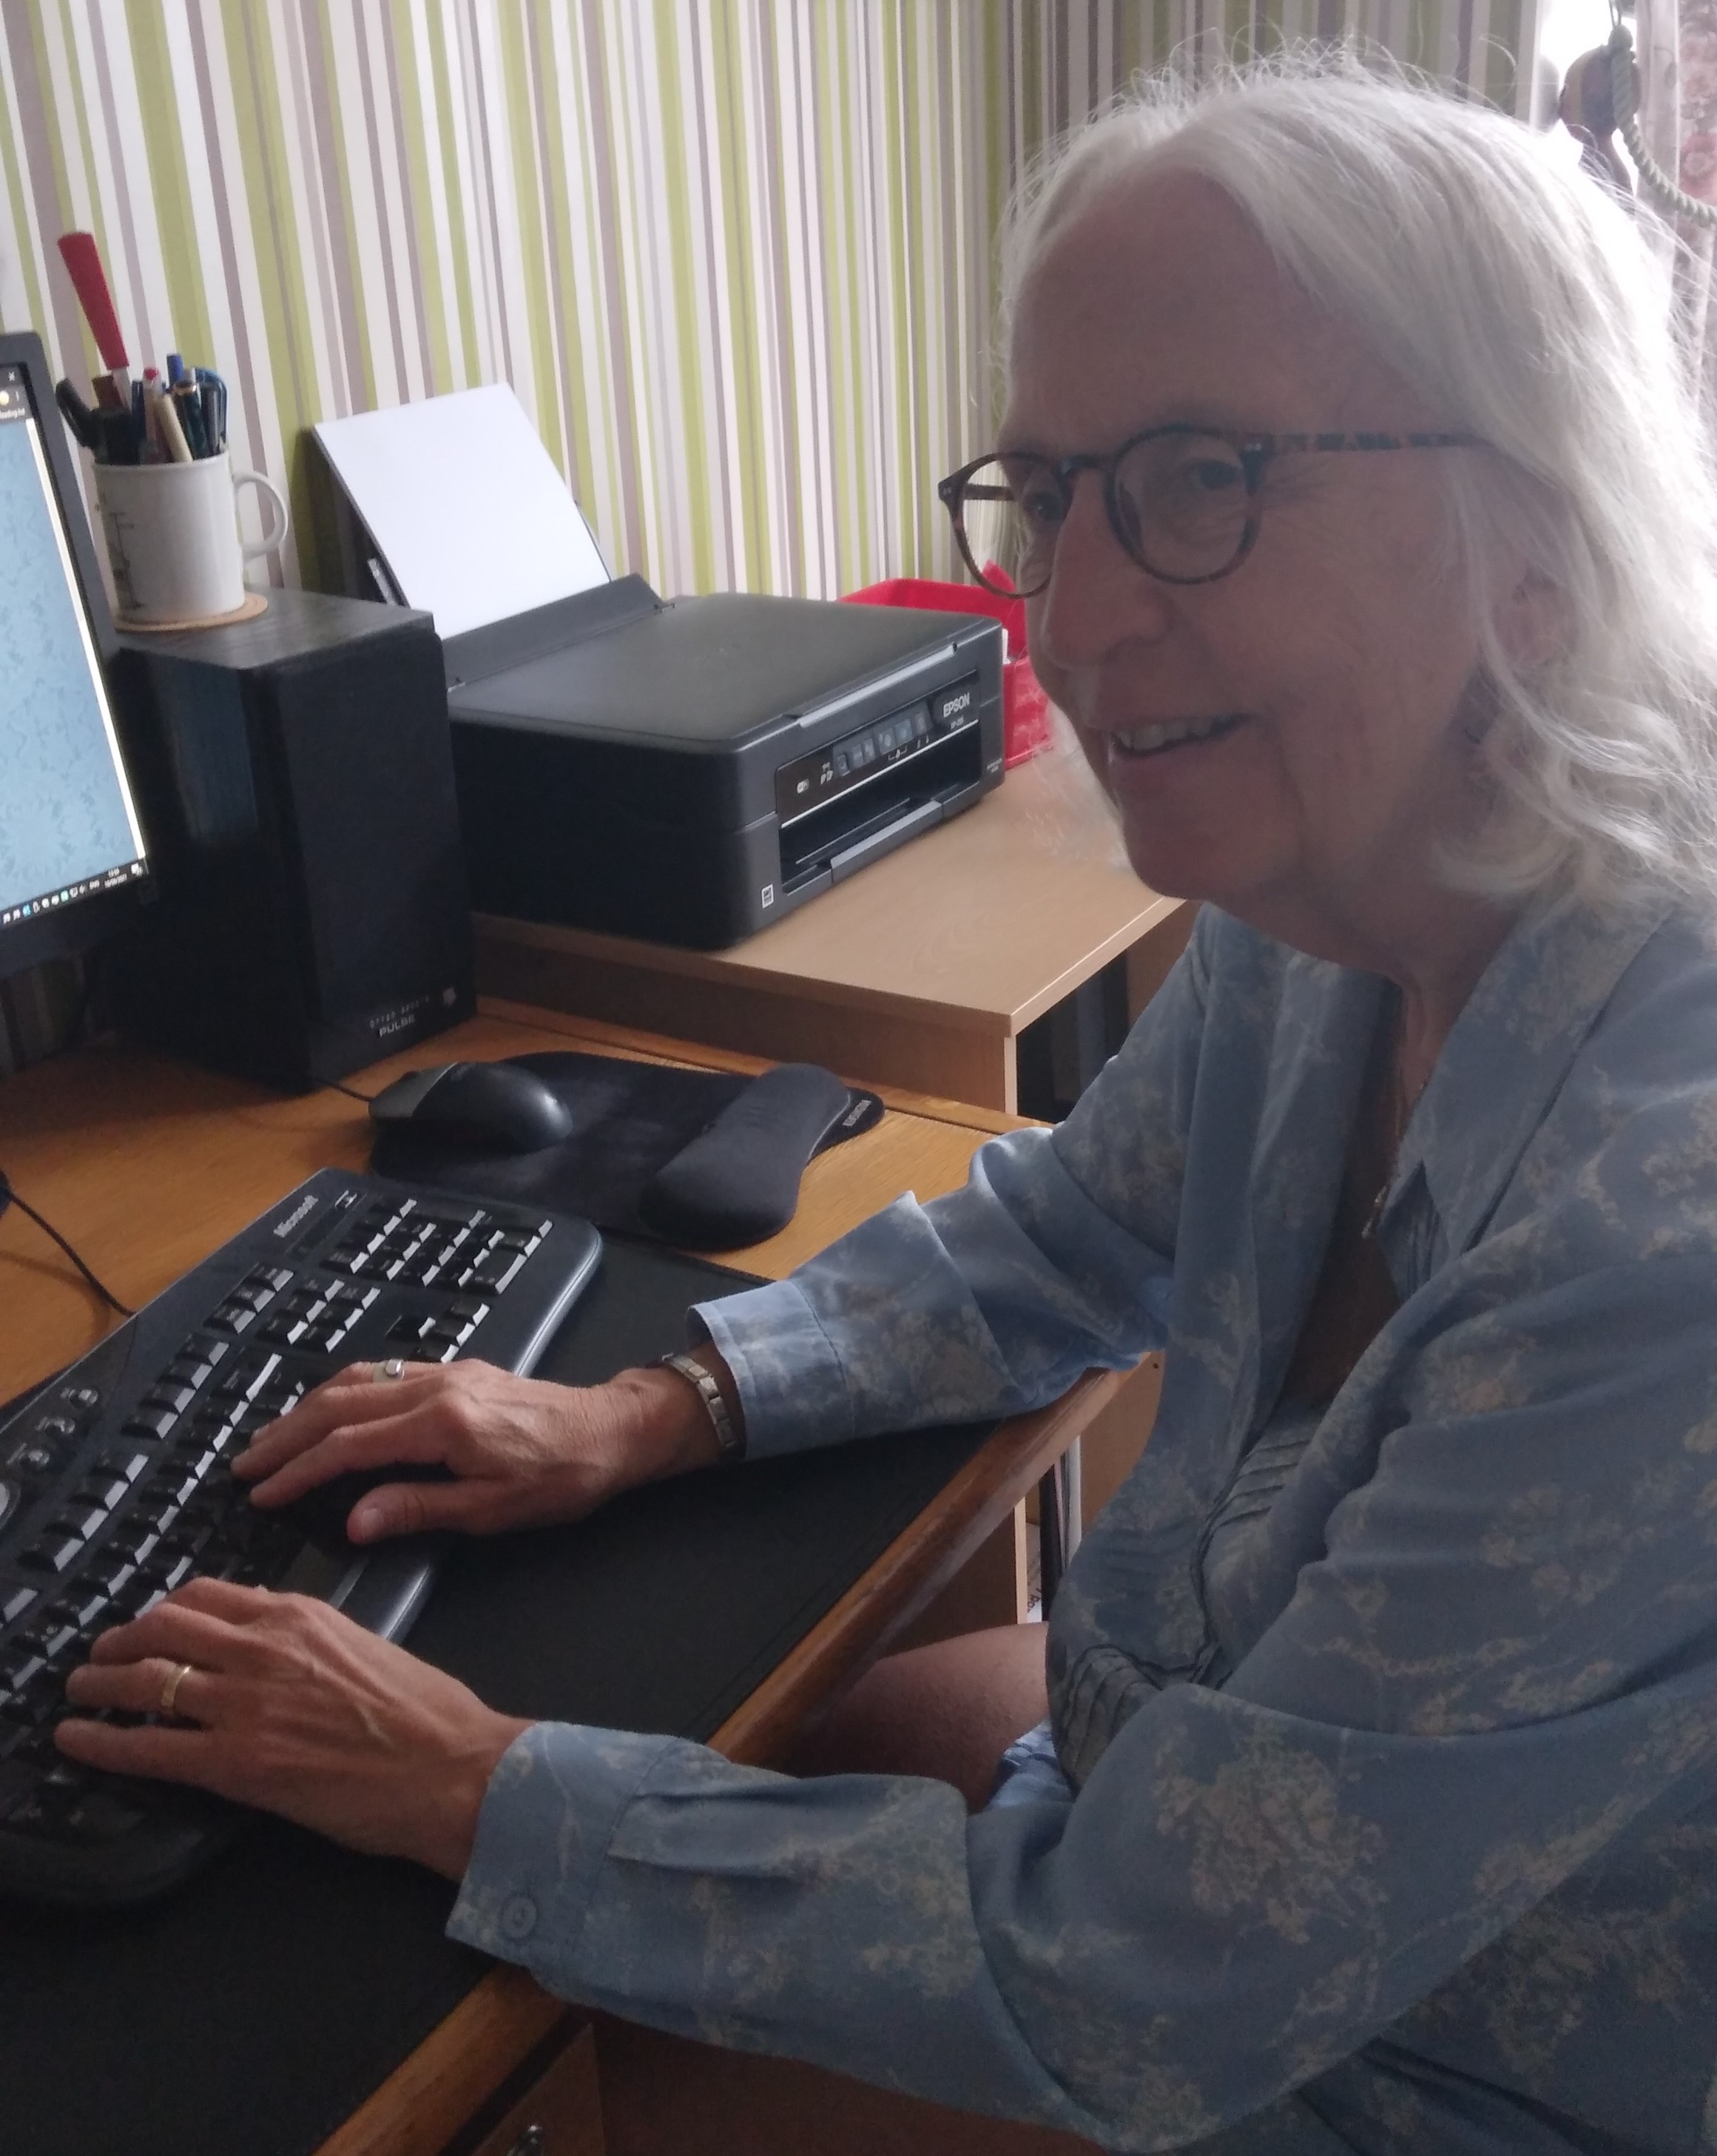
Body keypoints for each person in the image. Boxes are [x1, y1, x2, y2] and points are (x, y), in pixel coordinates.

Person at [54, 55, 1717, 2153]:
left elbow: (1131, 1983)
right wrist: (645, 1408)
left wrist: (463, 1779)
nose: (1075, 616)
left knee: (539, 2081)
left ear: (1538, 534)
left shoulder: (1660, 1231)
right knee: (777, 1747)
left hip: (1449, 2064)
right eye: (1052, 492)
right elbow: (1077, 1224)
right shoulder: (1344, 898)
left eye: (1200, 477)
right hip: (1173, 1779)